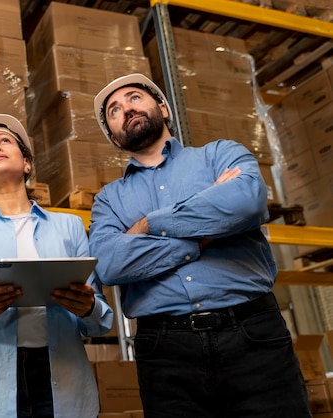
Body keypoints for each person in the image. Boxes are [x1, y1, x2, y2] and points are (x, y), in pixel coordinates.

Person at [89, 73, 311, 418]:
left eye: (134, 98)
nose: (126, 110)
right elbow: (109, 264)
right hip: (165, 351)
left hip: (252, 335)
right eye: (114, 111)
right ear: (114, 137)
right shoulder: (108, 200)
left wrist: (147, 225)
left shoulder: (220, 153)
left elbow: (246, 203)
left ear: (163, 109)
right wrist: (207, 230)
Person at [0, 114, 113, 418]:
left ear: (27, 164)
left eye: (5, 141)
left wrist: (87, 307)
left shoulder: (69, 227)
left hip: (66, 383)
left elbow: (102, 320)